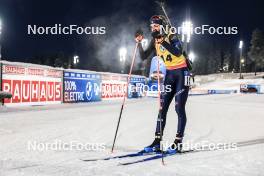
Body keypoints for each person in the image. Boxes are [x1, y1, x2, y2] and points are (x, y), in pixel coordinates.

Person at [135, 15, 190, 153]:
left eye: (156, 26)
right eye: (152, 27)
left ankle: (178, 142)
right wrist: (139, 43)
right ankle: (157, 142)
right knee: (162, 108)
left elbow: (177, 52)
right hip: (170, 75)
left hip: (182, 73)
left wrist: (163, 42)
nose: (153, 29)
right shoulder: (155, 40)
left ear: (162, 26)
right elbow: (143, 56)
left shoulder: (171, 34)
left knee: (179, 108)